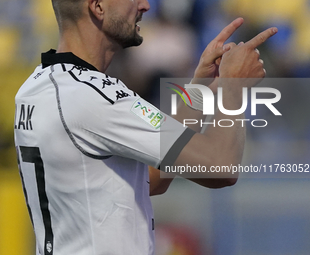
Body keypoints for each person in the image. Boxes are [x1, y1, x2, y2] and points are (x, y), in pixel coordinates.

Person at [14, 0, 278, 254]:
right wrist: (234, 86)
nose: (145, 5)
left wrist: (200, 88)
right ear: (97, 6)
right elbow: (220, 168)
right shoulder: (94, 98)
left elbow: (150, 179)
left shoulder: (35, 88)